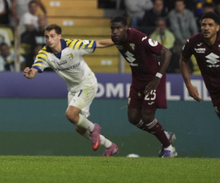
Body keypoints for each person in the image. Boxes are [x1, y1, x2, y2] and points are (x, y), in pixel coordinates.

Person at [23, 24, 119, 157]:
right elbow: (33, 72)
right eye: (46, 37)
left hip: (87, 83)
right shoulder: (44, 54)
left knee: (70, 115)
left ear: (59, 36)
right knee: (79, 127)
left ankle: (94, 128)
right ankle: (110, 146)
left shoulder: (73, 45)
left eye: (52, 36)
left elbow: (99, 43)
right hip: (73, 89)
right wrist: (29, 73)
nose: (49, 39)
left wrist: (120, 41)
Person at [109, 16, 177, 157]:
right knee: (133, 117)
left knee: (147, 116)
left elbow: (167, 52)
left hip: (152, 78)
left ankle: (169, 148)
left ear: (126, 28)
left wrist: (157, 79)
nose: (115, 31)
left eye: (118, 28)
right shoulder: (116, 38)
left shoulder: (140, 38)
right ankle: (164, 134)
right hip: (137, 79)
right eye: (112, 28)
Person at [180, 12, 220, 120]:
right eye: (203, 25)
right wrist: (189, 85)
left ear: (217, 28)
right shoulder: (193, 42)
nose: (206, 28)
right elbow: (183, 60)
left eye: (210, 25)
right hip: (214, 90)